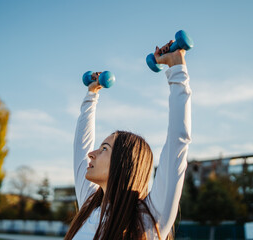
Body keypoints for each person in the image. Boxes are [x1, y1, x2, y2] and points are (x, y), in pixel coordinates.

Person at [65, 41, 192, 240]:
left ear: (125, 164)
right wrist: (91, 94)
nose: (92, 154)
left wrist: (177, 68)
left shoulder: (149, 219)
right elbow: (81, 147)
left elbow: (178, 140)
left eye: (104, 149)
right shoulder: (89, 208)